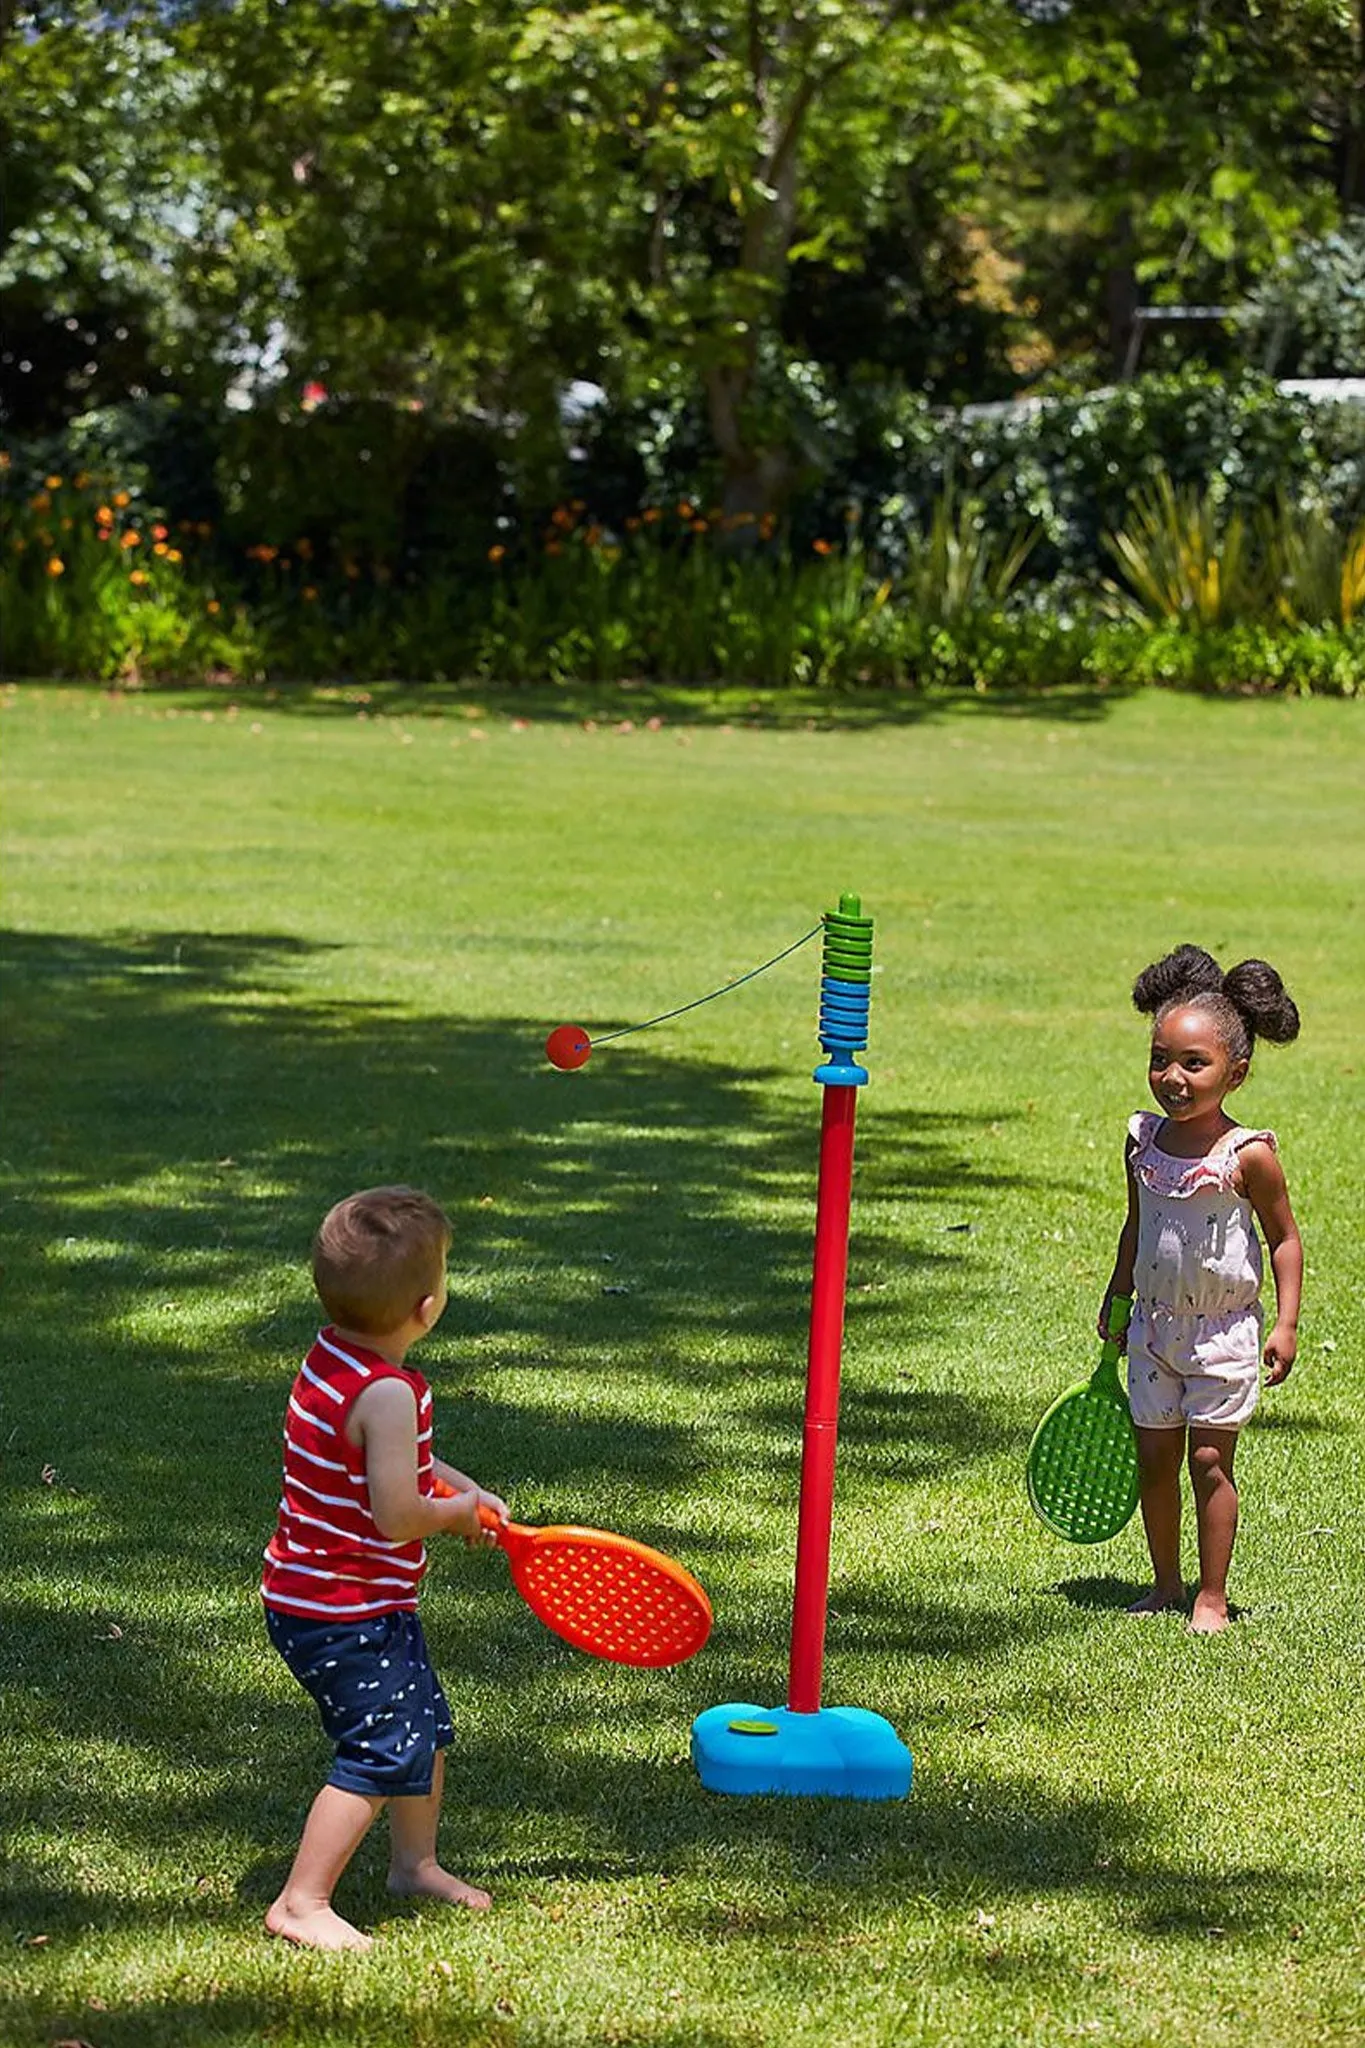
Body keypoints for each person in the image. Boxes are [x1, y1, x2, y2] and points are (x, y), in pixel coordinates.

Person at [260, 1185, 509, 1950]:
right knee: (380, 1743)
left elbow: (399, 1470)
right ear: (427, 1307)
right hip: (343, 1609)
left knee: (422, 1726)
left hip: (330, 1595)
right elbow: (398, 1513)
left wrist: (464, 1490)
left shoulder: (332, 1355)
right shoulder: (389, 1394)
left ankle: (415, 1866)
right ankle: (301, 1902)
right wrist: (456, 1516)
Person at [1099, 946, 1303, 1635]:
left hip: (1221, 1331)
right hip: (1153, 1328)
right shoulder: (1142, 1142)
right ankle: (1164, 1585)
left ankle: (1210, 1596)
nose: (1172, 1078)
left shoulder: (1246, 1155)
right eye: (1160, 1059)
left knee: (1208, 1462)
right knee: (1153, 1459)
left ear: (1235, 1072)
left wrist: (1285, 1324)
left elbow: (1283, 1240)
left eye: (1194, 1064)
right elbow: (1137, 1226)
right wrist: (1116, 1296)